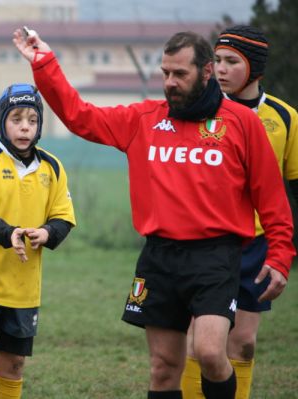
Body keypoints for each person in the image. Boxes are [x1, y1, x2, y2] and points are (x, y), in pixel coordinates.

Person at [13, 29, 295, 399]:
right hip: (160, 257)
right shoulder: (144, 119)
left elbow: (271, 197)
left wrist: (280, 255)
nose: (170, 83)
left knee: (211, 353)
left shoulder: (242, 123)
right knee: (163, 369)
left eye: (180, 74)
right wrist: (45, 64)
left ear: (206, 72)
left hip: (216, 256)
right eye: (165, 73)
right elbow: (79, 116)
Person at [181, 25, 298, 399]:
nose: (221, 69)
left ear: (256, 68)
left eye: (232, 61)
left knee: (243, 343)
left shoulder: (284, 118)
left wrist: (284, 254)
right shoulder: (198, 110)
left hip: (256, 246)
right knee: (200, 342)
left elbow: (292, 189)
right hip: (206, 241)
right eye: (216, 60)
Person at [0, 83, 76, 399]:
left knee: (14, 364)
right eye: (16, 119)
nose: (24, 127)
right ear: (2, 122)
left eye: (32, 120)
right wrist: (9, 234)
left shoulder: (52, 167)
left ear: (40, 125)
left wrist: (47, 233)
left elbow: (63, 218)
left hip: (23, 284)